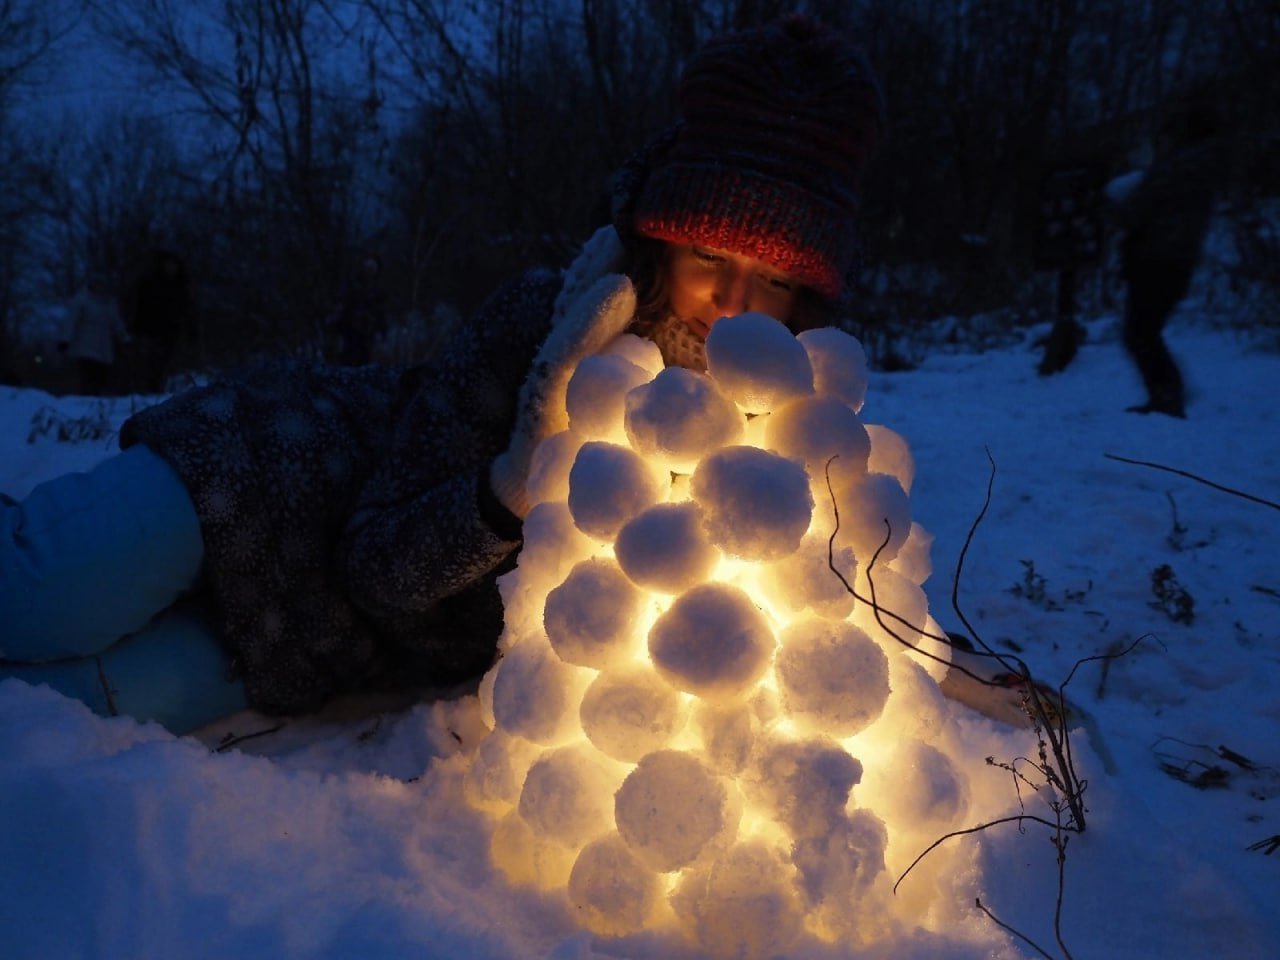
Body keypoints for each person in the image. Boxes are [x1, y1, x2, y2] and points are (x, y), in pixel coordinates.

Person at [0, 16, 884, 735]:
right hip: (260, 477)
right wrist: (509, 488)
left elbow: (846, 594)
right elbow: (377, 561)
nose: (730, 303)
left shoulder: (778, 442)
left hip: (303, 641)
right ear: (661, 236)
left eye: (770, 278)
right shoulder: (550, 322)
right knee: (31, 604)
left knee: (58, 707)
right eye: (705, 255)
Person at [1110, 102, 1220, 417]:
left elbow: (1134, 212)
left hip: (1155, 257)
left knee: (1140, 332)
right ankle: (1167, 393)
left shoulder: (1175, 169)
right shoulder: (1201, 168)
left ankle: (1167, 396)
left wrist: (1110, 205)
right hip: (1176, 258)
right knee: (1145, 331)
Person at [126, 249, 193, 393]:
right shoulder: (150, 282)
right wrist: (138, 326)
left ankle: (165, 388)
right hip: (152, 329)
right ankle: (152, 389)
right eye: (167, 264)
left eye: (173, 264)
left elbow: (187, 307)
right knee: (153, 361)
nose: (170, 267)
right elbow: (141, 306)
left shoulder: (181, 284)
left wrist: (190, 328)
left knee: (169, 359)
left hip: (173, 328)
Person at [64, 279, 131, 395]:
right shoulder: (81, 301)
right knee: (87, 374)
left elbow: (116, 322)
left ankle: (96, 398)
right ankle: (84, 398)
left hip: (103, 348)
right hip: (84, 347)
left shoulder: (109, 303)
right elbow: (71, 321)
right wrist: (65, 339)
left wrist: (124, 337)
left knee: (100, 377)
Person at [326, 254, 389, 365]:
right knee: (349, 357)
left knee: (366, 359)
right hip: (350, 328)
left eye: (372, 267)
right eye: (367, 266)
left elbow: (381, 311)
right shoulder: (352, 283)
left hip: (369, 330)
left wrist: (382, 330)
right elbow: (342, 302)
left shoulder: (378, 288)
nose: (370, 270)